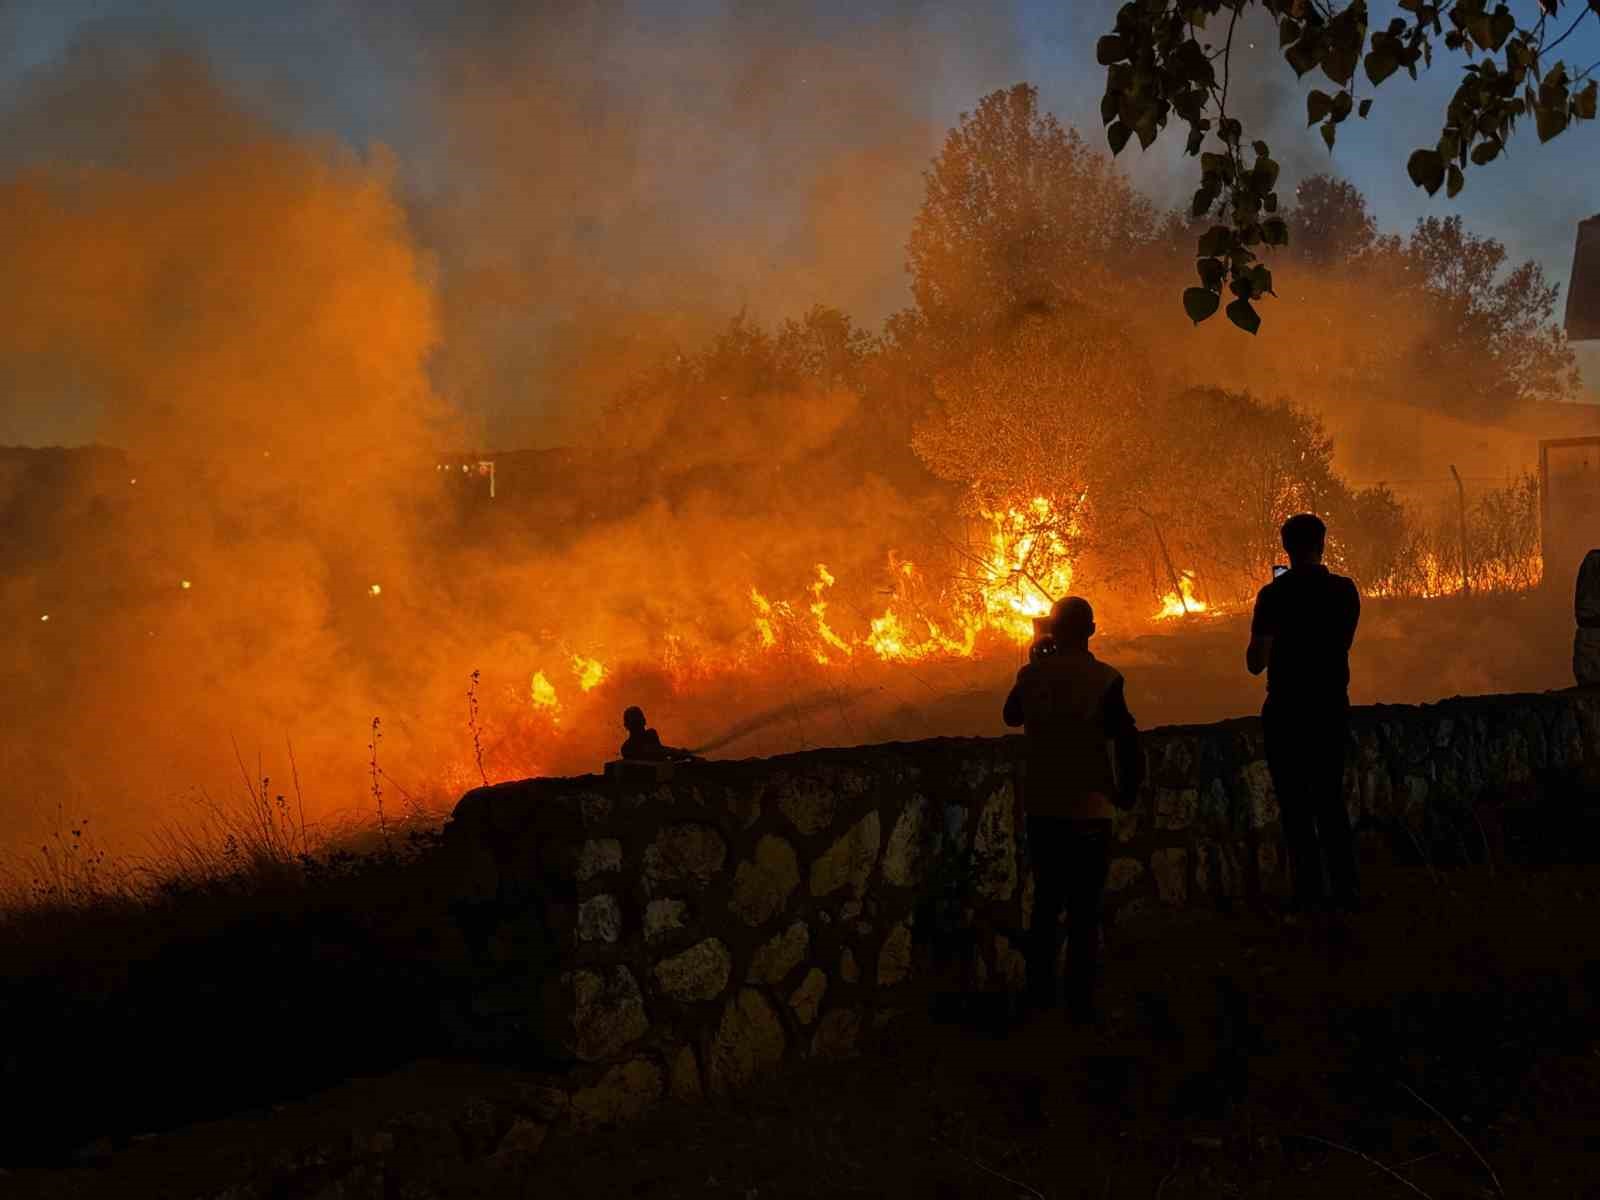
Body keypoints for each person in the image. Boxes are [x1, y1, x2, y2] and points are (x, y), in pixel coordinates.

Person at [1003, 596, 1142, 1026]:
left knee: (1046, 903)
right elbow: (1127, 738)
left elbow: (1011, 716)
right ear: (1092, 631)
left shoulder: (1032, 675)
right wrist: (1127, 792)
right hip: (1090, 807)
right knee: (1085, 908)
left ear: (1052, 631)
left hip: (1043, 806)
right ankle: (1079, 1001)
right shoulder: (1106, 679)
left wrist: (1035, 663)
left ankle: (1039, 993)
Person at [1247, 513, 1362, 924]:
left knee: (1295, 808)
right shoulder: (1344, 591)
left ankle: (1308, 894)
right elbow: (1343, 642)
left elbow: (1255, 662)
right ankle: (1346, 891)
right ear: (1322, 544)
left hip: (1287, 712)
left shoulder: (1273, 595)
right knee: (1330, 802)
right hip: (1330, 708)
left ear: (1286, 548)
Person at [619, 706, 696, 762]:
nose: (637, 726)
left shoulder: (626, 747)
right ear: (644, 721)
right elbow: (656, 751)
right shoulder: (627, 748)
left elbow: (658, 753)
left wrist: (677, 753)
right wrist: (677, 753)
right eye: (635, 723)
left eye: (637, 722)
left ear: (626, 726)